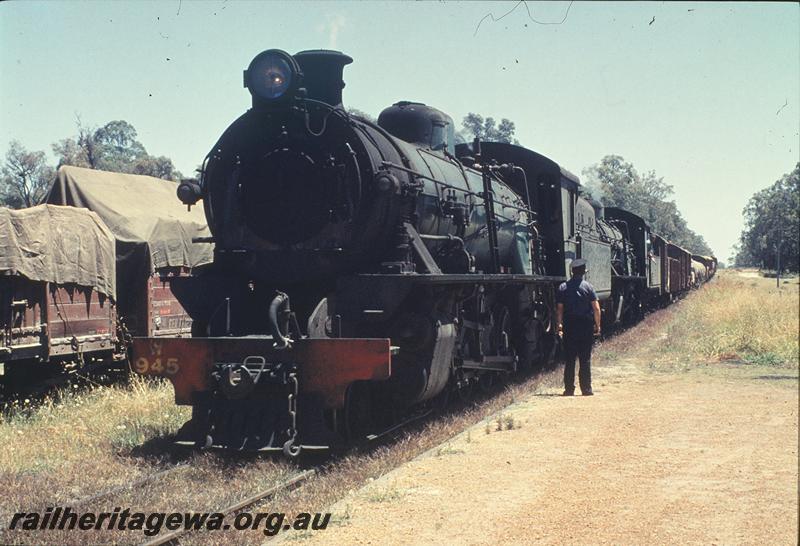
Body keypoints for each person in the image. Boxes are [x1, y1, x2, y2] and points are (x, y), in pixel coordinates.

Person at [555, 259, 602, 396]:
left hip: (570, 325)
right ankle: (586, 389)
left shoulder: (563, 287)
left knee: (569, 359)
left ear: (572, 272)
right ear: (583, 273)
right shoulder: (589, 287)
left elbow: (559, 309)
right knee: (585, 358)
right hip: (585, 326)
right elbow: (596, 308)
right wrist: (597, 326)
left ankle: (569, 389)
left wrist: (559, 324)